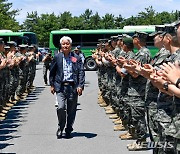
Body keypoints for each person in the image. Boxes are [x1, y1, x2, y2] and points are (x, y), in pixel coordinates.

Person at [49, 36, 85, 139]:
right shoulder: (57, 57)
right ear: (61, 45)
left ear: (71, 45)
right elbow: (52, 72)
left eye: (67, 44)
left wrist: (80, 85)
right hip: (60, 87)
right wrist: (52, 85)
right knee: (60, 107)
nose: (65, 45)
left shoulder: (76, 58)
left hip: (72, 87)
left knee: (71, 111)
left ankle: (69, 129)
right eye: (63, 44)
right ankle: (60, 127)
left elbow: (81, 72)